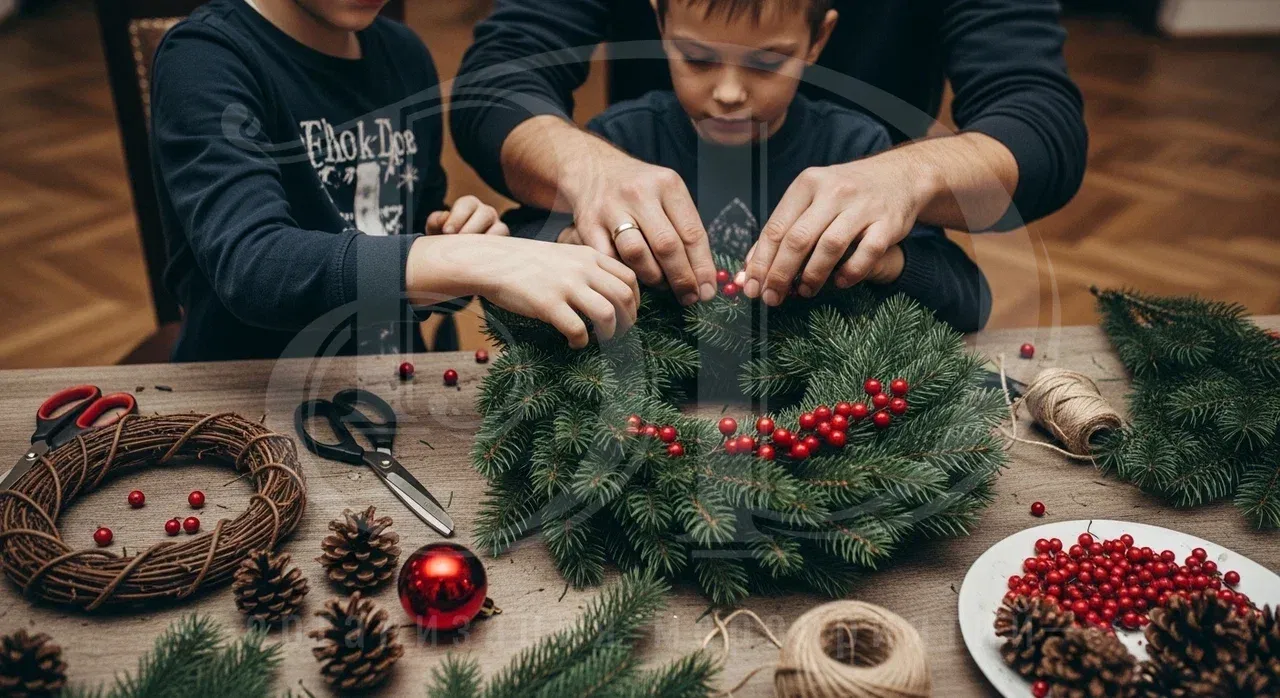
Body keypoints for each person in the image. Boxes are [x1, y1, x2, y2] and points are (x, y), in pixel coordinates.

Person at [451, 0, 1086, 310]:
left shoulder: (856, 143)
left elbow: (1038, 120)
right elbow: (498, 78)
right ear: (661, 25)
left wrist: (906, 184)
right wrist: (567, 198)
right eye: (696, 57)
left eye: (766, 61)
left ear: (819, 37)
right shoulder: (627, 136)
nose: (729, 93)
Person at [151, 0, 637, 361]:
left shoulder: (404, 55)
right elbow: (255, 267)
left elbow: (408, 240)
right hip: (244, 410)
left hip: (388, 391)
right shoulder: (204, 58)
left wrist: (451, 241)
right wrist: (471, 259)